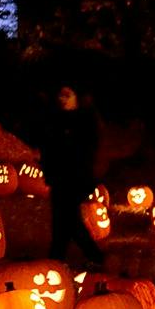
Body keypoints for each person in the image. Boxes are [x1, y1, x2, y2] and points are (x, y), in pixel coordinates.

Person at [43, 82, 103, 264]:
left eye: (67, 95)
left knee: (68, 219)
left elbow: (86, 151)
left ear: (77, 98)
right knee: (63, 219)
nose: (62, 100)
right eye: (60, 95)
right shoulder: (54, 120)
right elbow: (49, 149)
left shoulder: (85, 121)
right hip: (58, 177)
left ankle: (90, 255)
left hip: (77, 177)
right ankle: (59, 257)